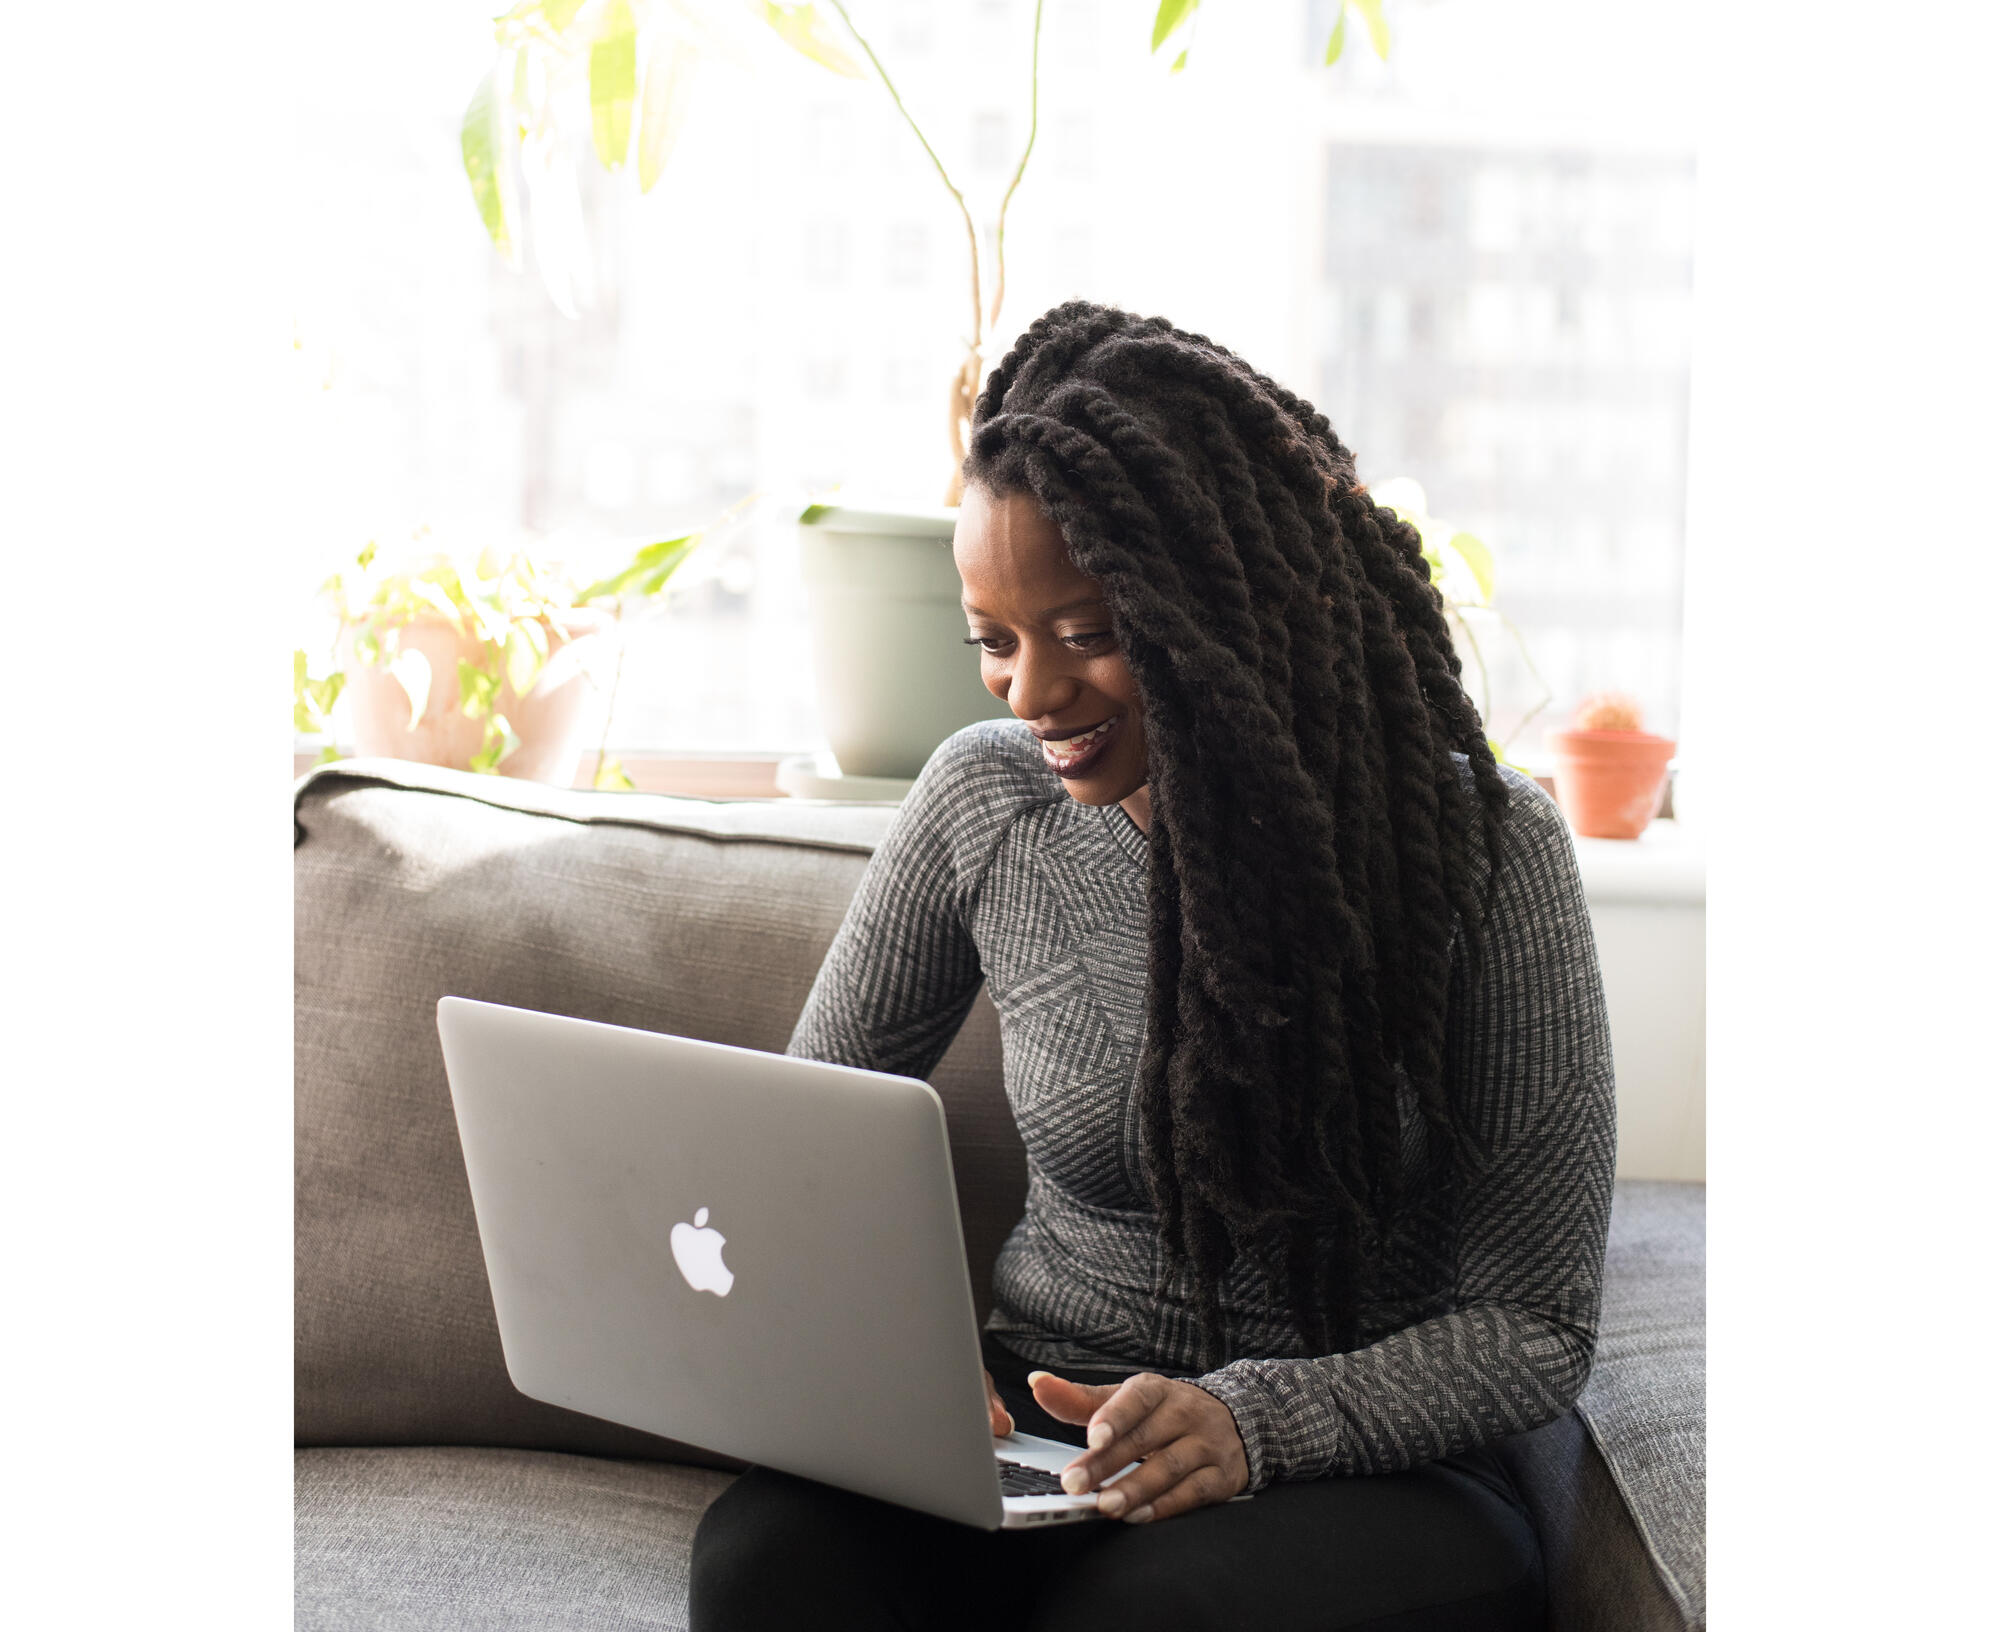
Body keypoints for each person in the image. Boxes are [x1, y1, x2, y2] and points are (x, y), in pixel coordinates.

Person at [689, 301, 1614, 1631]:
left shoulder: (1486, 853)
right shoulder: (982, 806)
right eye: (994, 642)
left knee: (1153, 1617)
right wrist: (902, 1370)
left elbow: (1534, 1321)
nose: (1028, 695)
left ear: (1227, 606)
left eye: (1085, 633)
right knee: (768, 1566)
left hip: (1359, 1461)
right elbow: (795, 1141)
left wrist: (1254, 1423)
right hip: (1048, 1419)